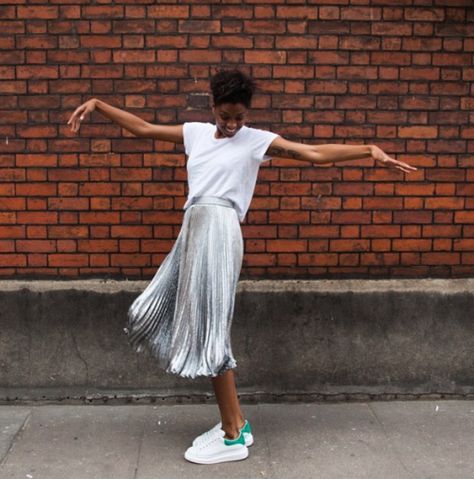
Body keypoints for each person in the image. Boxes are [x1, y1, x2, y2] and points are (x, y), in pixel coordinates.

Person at [67, 68, 416, 465]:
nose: (232, 125)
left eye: (239, 117)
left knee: (212, 328)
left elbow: (312, 153)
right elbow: (144, 128)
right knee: (196, 322)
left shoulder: (256, 141)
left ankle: (233, 435)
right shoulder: (196, 133)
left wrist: (369, 149)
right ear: (212, 106)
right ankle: (238, 424)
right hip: (193, 231)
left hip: (219, 231)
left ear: (246, 113)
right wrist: (97, 104)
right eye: (225, 115)